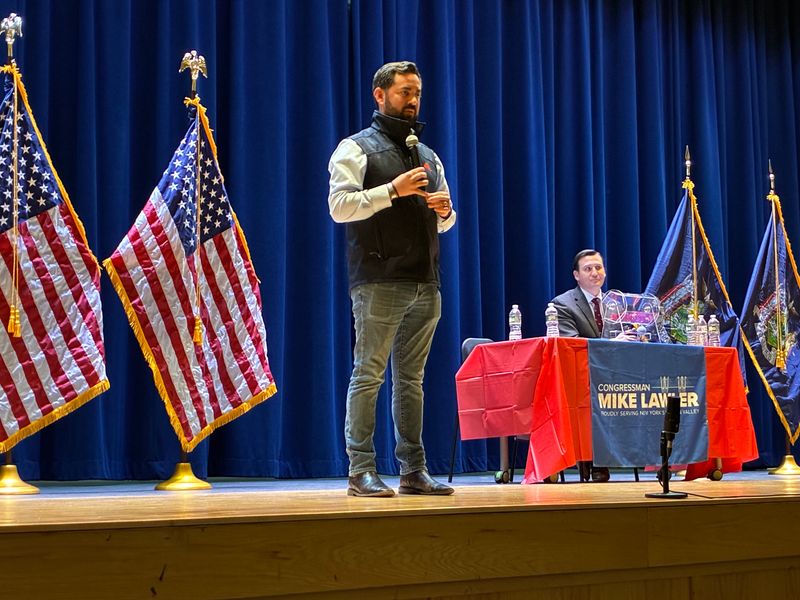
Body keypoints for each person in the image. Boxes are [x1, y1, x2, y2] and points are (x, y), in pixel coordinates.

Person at [328, 61, 456, 497]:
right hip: (379, 278)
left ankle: (413, 470)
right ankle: (360, 470)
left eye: (416, 92)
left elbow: (446, 219)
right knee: (368, 375)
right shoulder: (355, 148)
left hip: (425, 279)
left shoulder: (429, 154)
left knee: (412, 380)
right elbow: (340, 207)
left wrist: (444, 212)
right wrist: (392, 191)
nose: (413, 100)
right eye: (404, 92)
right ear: (379, 95)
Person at [551, 249, 623, 482]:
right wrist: (611, 344)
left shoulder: (617, 303)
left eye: (598, 267)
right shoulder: (562, 304)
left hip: (619, 374)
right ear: (576, 275)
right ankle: (595, 462)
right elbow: (571, 344)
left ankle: (659, 460)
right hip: (582, 379)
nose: (595, 273)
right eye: (588, 269)